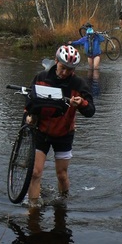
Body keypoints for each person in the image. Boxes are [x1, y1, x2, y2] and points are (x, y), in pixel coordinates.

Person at [24, 45, 95, 206]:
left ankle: (63, 203)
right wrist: (28, 116)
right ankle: (32, 210)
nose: (65, 73)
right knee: (35, 173)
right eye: (63, 68)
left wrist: (81, 103)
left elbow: (91, 110)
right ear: (56, 61)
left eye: (69, 70)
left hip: (64, 134)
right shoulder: (41, 77)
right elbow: (29, 100)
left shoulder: (78, 84)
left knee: (62, 174)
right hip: (41, 131)